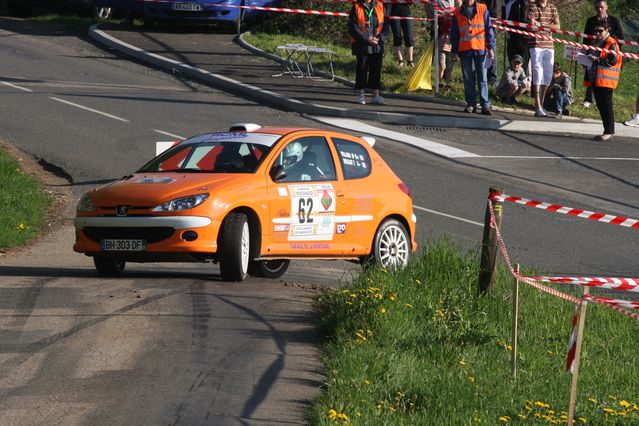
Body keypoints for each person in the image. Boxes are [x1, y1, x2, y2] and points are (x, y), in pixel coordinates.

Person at [451, 0, 496, 115]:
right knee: (468, 79)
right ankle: (471, 104)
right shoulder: (457, 13)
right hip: (464, 50)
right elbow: (455, 33)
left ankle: (485, 104)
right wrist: (454, 52)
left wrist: (490, 47)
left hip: (480, 49)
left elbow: (488, 28)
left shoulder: (482, 9)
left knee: (482, 79)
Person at [583, 21, 621, 141]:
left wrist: (596, 59)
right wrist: (585, 61)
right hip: (595, 78)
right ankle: (607, 130)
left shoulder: (611, 42)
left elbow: (612, 60)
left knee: (606, 106)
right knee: (601, 105)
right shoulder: (595, 42)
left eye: (600, 31)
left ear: (606, 30)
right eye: (596, 31)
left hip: (605, 80)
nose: (598, 33)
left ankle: (609, 132)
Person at [581, 0, 623, 108]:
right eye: (597, 7)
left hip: (606, 54)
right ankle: (588, 99)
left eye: (602, 7)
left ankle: (605, 101)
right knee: (591, 76)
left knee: (606, 81)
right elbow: (585, 39)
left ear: (606, 7)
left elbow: (621, 38)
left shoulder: (613, 20)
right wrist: (584, 54)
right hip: (593, 51)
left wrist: (613, 49)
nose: (599, 9)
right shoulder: (591, 21)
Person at [348, 0, 389, 106]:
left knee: (376, 69)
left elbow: (386, 25)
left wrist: (379, 38)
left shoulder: (380, 5)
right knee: (362, 68)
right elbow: (352, 28)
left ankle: (376, 95)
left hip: (377, 44)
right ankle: (361, 95)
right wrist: (366, 38)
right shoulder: (356, 7)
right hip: (362, 43)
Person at [527, 0, 560, 118]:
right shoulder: (532, 6)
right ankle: (538, 106)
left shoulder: (552, 7)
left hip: (549, 45)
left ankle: (541, 105)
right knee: (538, 74)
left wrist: (540, 24)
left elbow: (557, 26)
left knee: (547, 76)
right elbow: (531, 26)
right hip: (536, 45)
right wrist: (538, 25)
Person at [502, 0, 530, 70]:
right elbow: (508, 20)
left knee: (524, 64)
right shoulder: (511, 4)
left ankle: (524, 79)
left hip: (525, 39)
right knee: (513, 61)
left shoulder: (528, 4)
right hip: (512, 38)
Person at [388, 1, 414, 67]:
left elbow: (411, 2)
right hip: (394, 12)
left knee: (409, 36)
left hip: (406, 12)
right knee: (397, 36)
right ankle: (400, 61)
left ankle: (410, 61)